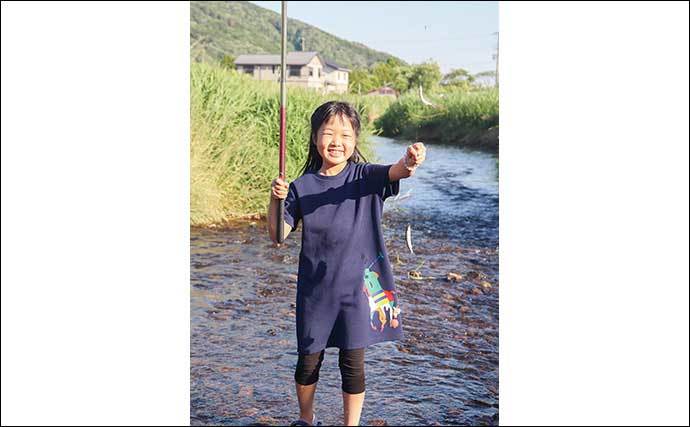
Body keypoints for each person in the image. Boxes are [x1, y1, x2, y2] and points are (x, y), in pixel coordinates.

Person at [267, 101, 426, 426]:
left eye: (345, 134)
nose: (336, 141)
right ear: (315, 138)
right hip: (316, 292)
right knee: (308, 362)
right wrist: (275, 199)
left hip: (359, 292)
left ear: (355, 139)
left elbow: (400, 171)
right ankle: (306, 419)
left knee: (353, 364)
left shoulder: (366, 177)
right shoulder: (301, 186)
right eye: (328, 133)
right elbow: (278, 235)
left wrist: (410, 161)